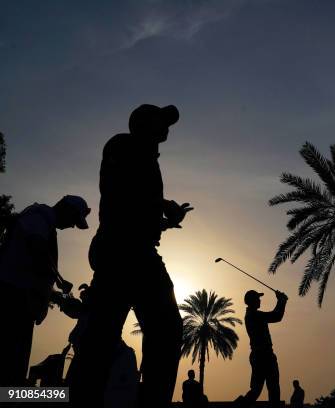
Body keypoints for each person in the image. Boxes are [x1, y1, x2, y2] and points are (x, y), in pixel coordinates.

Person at [67, 104, 192, 408]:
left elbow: (136, 210)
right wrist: (162, 208)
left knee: (108, 336)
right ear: (144, 124)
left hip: (132, 252)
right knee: (121, 335)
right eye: (161, 121)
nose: (166, 128)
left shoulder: (143, 157)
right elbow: (127, 200)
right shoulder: (124, 145)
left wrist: (165, 218)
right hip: (126, 253)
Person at [0, 195, 90, 386]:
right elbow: (37, 249)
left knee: (14, 370)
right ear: (66, 210)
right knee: (9, 368)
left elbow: (38, 272)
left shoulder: (45, 224)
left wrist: (60, 293)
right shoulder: (39, 215)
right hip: (12, 302)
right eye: (74, 220)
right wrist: (59, 279)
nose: (72, 226)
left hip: (22, 306)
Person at [237, 289, 288, 408]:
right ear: (253, 301)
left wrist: (281, 301)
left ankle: (240, 404)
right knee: (272, 388)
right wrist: (281, 301)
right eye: (258, 299)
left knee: (257, 390)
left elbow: (275, 315)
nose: (260, 301)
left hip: (259, 355)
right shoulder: (255, 315)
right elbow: (276, 316)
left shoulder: (252, 315)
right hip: (263, 356)